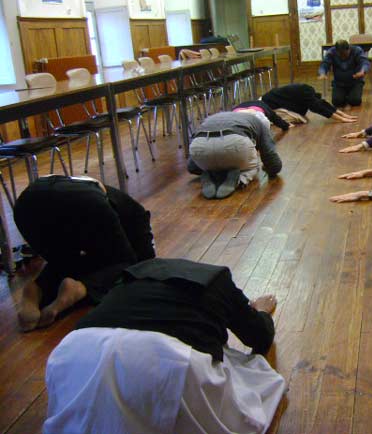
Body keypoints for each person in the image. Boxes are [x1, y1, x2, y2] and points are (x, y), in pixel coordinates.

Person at [43, 257, 286, 434]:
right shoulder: (218, 280)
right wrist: (261, 312)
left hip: (75, 351)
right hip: (162, 360)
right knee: (250, 386)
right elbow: (260, 337)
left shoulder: (129, 279)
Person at [13, 175, 155, 331]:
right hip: (85, 202)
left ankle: (35, 288)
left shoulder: (109, 197)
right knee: (129, 265)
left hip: (26, 206)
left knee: (65, 261)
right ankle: (81, 288)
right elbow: (145, 261)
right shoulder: (137, 215)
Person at [188, 111, 282, 200]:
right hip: (234, 143)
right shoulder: (257, 121)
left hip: (199, 144)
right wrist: (270, 169)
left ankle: (210, 174)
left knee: (211, 161)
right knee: (253, 166)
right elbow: (273, 160)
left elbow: (192, 167)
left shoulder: (211, 118)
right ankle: (239, 180)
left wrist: (206, 165)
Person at [261, 83, 357, 123]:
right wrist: (342, 119)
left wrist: (344, 115)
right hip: (268, 104)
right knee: (300, 119)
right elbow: (319, 108)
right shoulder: (306, 93)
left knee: (302, 118)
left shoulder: (308, 91)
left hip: (272, 100)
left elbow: (322, 104)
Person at [318, 39, 371, 107]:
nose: (343, 57)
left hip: (355, 82)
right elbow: (324, 64)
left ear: (349, 49)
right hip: (339, 83)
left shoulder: (357, 50)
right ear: (336, 51)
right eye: (341, 55)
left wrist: (362, 71)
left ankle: (349, 96)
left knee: (355, 101)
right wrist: (322, 73)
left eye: (345, 54)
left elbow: (365, 62)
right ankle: (344, 96)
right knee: (337, 102)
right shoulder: (331, 52)